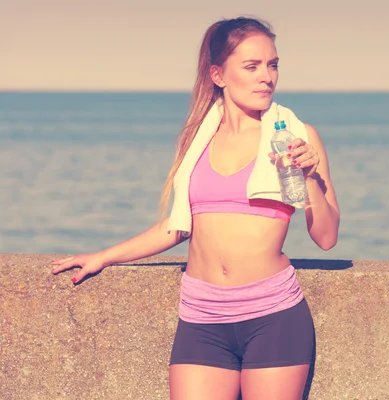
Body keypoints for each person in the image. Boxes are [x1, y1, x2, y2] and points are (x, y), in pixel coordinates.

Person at [51, 16, 340, 400]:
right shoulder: (198, 138)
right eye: (251, 67)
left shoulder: (299, 136)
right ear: (218, 74)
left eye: (272, 65)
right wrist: (102, 257)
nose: (266, 77)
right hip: (201, 318)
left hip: (272, 316)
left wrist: (309, 177)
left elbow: (326, 237)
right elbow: (177, 226)